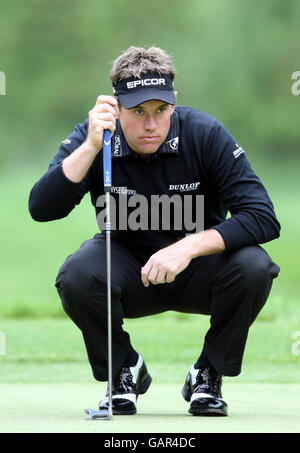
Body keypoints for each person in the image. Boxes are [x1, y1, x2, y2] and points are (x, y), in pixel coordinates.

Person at [28, 46, 280, 417]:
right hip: (127, 268)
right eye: (138, 112)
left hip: (199, 268)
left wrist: (189, 246)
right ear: (115, 107)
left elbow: (262, 216)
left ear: (173, 102)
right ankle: (123, 369)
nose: (151, 125)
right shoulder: (95, 137)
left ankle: (208, 373)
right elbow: (42, 209)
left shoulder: (205, 135)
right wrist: (91, 146)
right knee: (77, 274)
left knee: (254, 266)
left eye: (161, 110)